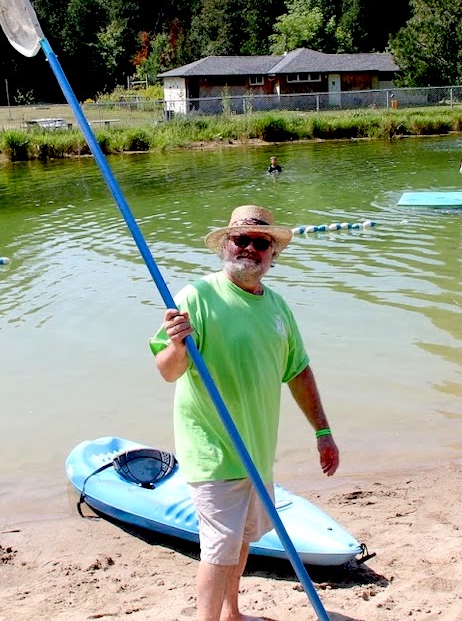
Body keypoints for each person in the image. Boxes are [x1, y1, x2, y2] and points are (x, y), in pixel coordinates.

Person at [151, 205, 339, 621]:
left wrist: (322, 431)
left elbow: (298, 371)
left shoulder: (278, 307)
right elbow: (168, 371)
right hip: (213, 447)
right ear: (225, 245)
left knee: (241, 542)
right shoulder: (196, 297)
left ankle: (233, 613)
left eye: (261, 242)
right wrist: (177, 345)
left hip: (256, 447)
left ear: (273, 254)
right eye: (242, 239)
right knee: (219, 548)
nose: (250, 248)